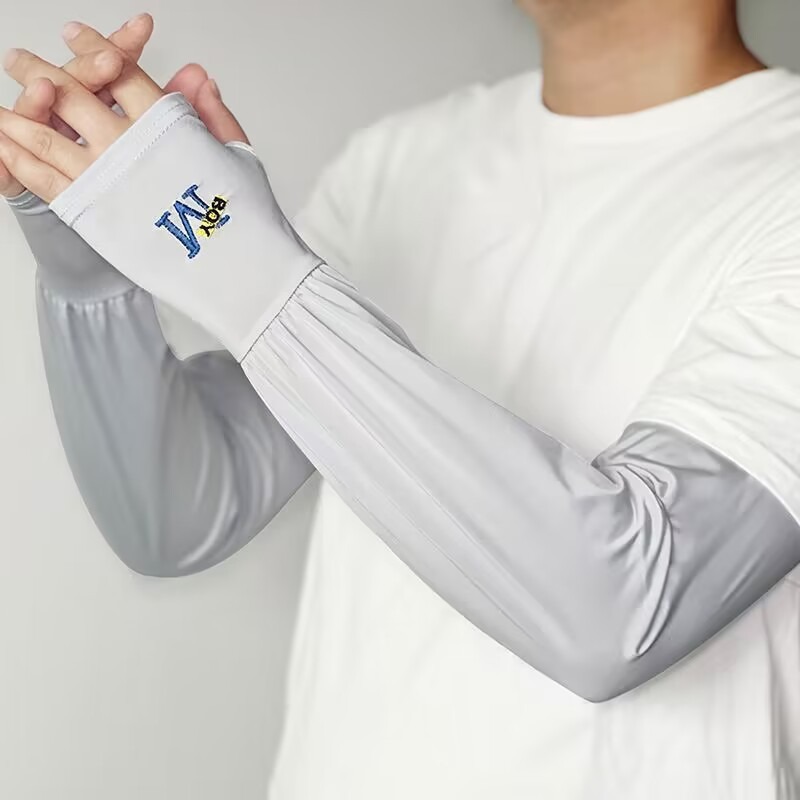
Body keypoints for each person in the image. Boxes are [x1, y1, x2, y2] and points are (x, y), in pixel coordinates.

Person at [3, 2, 800, 798]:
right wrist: (93, 272)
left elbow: (623, 611)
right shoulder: (398, 160)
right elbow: (179, 513)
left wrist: (231, 256)